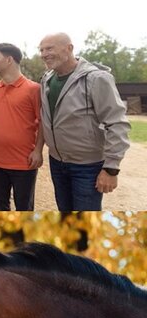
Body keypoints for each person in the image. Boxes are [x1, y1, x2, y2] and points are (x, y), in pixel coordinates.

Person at [36, 32, 131, 211]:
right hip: (56, 162)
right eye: (41, 50)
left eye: (49, 48)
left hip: (87, 167)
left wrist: (111, 168)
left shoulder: (97, 79)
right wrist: (38, 150)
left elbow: (117, 123)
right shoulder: (47, 80)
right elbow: (45, 119)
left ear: (69, 48)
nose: (44, 54)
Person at [0, 43, 42, 211]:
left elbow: (43, 122)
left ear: (9, 59)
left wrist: (38, 150)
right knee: (0, 205)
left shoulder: (34, 89)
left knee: (24, 208)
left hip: (23, 163)